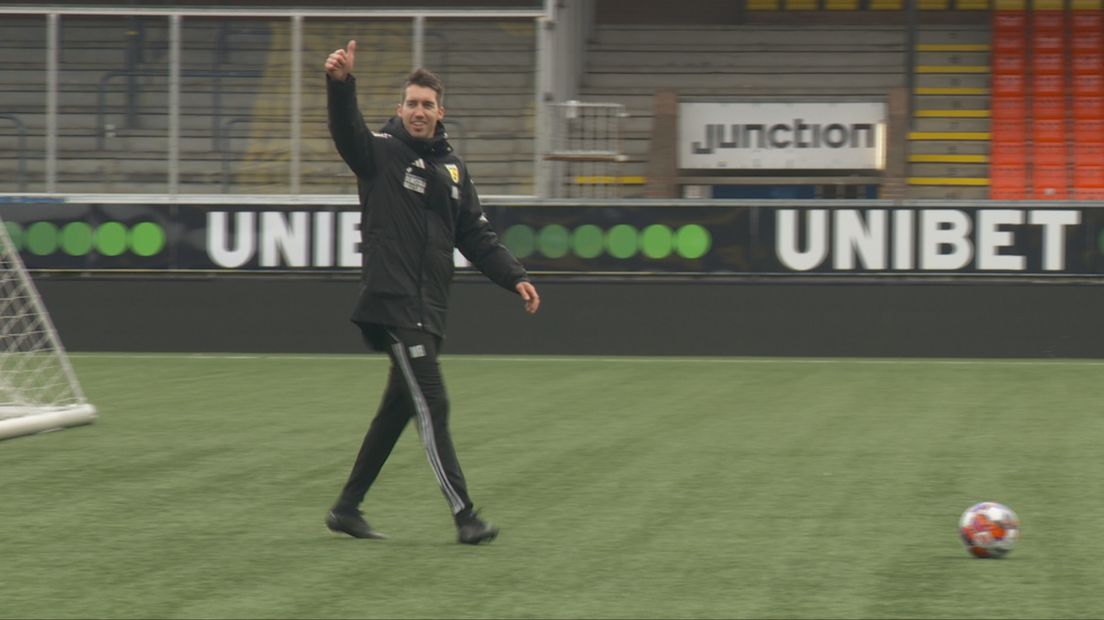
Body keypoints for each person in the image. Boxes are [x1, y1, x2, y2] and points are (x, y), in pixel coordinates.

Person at [322, 41, 540, 545]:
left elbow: (476, 235)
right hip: (394, 305)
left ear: (441, 112)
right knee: (433, 404)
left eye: (427, 105)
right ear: (400, 109)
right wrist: (341, 85)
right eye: (411, 103)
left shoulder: (453, 170)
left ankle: (347, 508)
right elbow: (346, 132)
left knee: (397, 411)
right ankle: (465, 516)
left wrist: (514, 276)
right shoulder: (379, 153)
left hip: (429, 310)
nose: (418, 112)